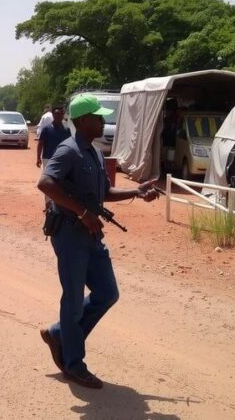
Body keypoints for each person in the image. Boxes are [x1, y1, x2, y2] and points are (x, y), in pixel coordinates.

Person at [37, 94, 159, 389]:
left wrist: (137, 192)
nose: (103, 120)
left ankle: (59, 334)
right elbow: (45, 183)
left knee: (107, 293)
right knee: (75, 301)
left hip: (91, 234)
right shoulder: (68, 150)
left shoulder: (93, 152)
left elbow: (104, 193)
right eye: (97, 116)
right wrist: (80, 212)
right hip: (69, 234)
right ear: (81, 121)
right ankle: (73, 364)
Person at [36, 105, 70, 204]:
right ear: (53, 115)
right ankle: (48, 203)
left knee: (62, 180)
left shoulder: (66, 130)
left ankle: (59, 202)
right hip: (48, 158)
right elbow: (40, 143)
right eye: (56, 114)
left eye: (60, 114)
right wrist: (38, 158)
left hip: (63, 159)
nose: (58, 116)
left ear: (63, 115)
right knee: (48, 181)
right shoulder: (46, 129)